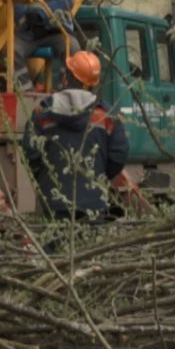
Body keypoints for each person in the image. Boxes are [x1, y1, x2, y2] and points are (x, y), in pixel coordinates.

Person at [22, 51, 128, 221]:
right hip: (95, 204)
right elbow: (118, 156)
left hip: (54, 203)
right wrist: (98, 178)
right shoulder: (107, 116)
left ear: (67, 76)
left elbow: (30, 154)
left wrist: (46, 179)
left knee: (55, 246)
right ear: (94, 83)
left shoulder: (43, 112)